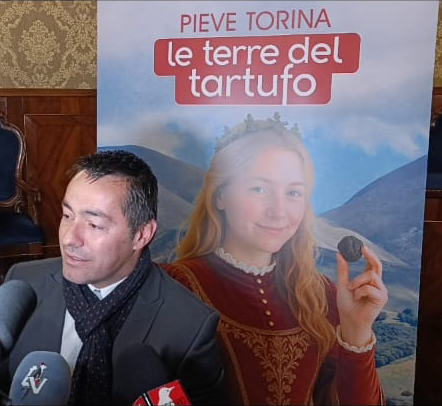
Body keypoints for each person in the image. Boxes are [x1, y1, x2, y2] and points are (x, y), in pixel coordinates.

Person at [161, 114, 387, 405]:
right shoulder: (174, 287)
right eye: (259, 189)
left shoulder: (322, 295)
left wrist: (357, 330)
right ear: (220, 196)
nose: (278, 211)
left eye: (293, 192)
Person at [0, 150, 226, 405]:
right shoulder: (24, 284)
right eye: (67, 216)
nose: (69, 238)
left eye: (94, 225)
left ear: (142, 235)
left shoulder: (189, 327)